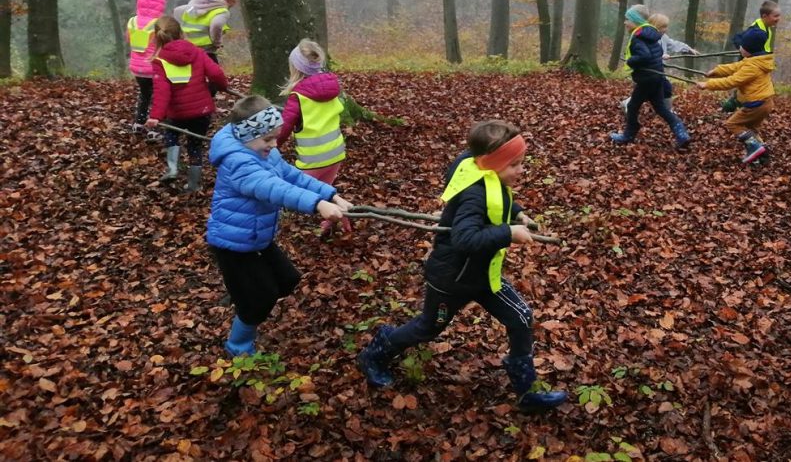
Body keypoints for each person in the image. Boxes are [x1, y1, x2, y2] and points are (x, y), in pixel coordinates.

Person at [356, 120, 568, 413]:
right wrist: (508, 233)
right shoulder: (473, 193)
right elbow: (465, 238)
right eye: (514, 165)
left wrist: (518, 215)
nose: (521, 171)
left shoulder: (479, 166)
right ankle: (376, 352)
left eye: (521, 163)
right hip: (451, 280)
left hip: (483, 275)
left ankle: (526, 390)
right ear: (489, 163)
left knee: (521, 317)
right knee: (429, 327)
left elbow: (500, 198)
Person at [206, 95, 353, 356]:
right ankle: (237, 346)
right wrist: (317, 205)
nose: (274, 145)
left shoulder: (261, 150)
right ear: (246, 135)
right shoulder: (239, 163)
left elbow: (291, 176)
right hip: (235, 244)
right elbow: (275, 188)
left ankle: (241, 293)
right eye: (268, 139)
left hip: (256, 237)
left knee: (287, 280)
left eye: (275, 137)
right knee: (259, 302)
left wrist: (330, 194)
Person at [145, 16, 229, 191]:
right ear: (181, 33)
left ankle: (173, 168)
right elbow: (215, 73)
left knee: (171, 136)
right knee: (195, 145)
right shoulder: (197, 52)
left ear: (157, 37)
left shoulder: (160, 61)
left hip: (177, 115)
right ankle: (193, 184)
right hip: (202, 111)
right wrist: (222, 87)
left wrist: (155, 116)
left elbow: (162, 92)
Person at [278, 39, 350, 237]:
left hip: (312, 159)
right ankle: (334, 224)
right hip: (335, 153)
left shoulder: (298, 96)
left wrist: (272, 145)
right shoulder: (332, 88)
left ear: (296, 68)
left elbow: (284, 127)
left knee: (291, 191)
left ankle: (278, 228)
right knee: (326, 190)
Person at [610, 7, 691, 148]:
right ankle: (681, 133)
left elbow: (644, 56)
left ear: (636, 20)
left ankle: (629, 134)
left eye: (628, 19)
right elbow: (658, 51)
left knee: (632, 106)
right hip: (657, 77)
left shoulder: (638, 36)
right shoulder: (651, 33)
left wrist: (630, 61)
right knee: (661, 108)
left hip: (646, 80)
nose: (625, 23)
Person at [695, 22, 775, 164]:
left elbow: (731, 81)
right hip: (765, 102)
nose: (740, 48)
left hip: (756, 104)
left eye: (742, 46)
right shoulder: (755, 60)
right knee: (751, 129)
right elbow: (734, 67)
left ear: (748, 50)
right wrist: (716, 71)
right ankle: (762, 155)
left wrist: (707, 85)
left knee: (733, 124)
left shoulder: (752, 66)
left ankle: (756, 148)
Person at [619, 10, 698, 115]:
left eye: (666, 27)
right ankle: (629, 105)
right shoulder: (645, 37)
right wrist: (661, 56)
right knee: (647, 92)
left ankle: (666, 111)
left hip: (657, 71)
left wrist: (688, 49)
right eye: (663, 27)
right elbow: (646, 55)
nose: (666, 29)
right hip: (647, 72)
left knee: (664, 89)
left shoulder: (663, 37)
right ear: (656, 26)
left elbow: (673, 44)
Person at [127, 0, 166, 140]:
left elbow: (128, 39)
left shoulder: (132, 21)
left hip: (137, 69)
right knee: (158, 98)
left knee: (144, 94)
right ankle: (154, 129)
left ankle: (139, 122)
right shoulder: (159, 23)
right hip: (154, 68)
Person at [174, 0, 236, 65]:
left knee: (194, 74)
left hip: (188, 48)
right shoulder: (222, 11)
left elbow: (177, 11)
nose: (235, 3)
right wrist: (217, 42)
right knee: (214, 75)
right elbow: (216, 25)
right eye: (234, 0)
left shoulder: (195, 6)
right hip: (207, 50)